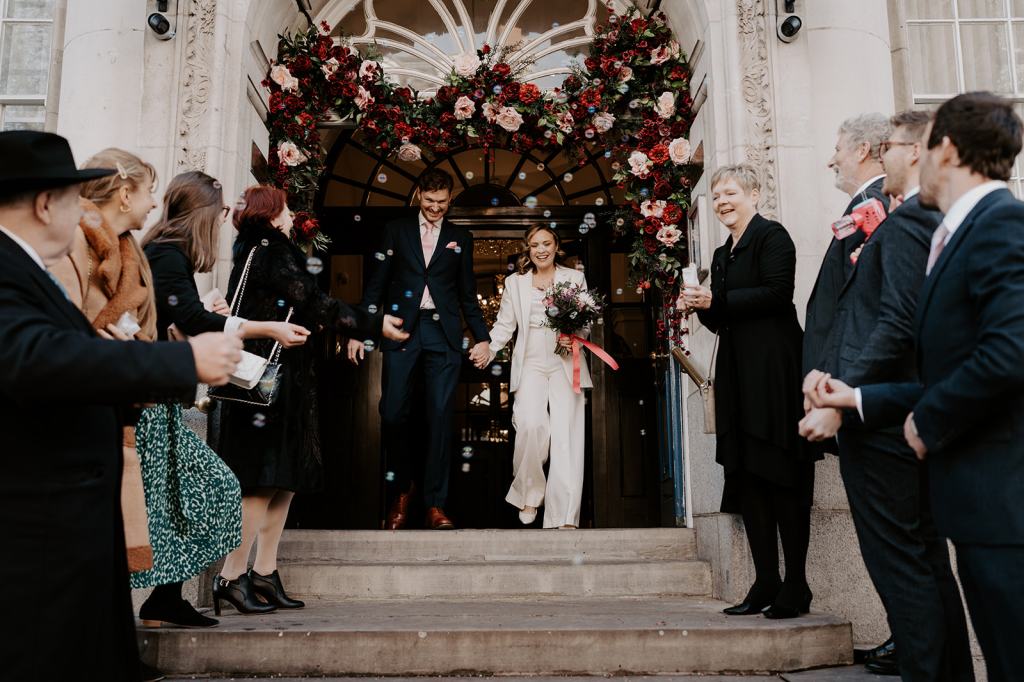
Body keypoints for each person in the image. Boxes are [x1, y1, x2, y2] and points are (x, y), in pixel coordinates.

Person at [0, 130, 242, 680]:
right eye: (73, 199)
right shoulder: (13, 268)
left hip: (68, 509)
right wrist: (182, 364)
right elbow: (39, 357)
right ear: (45, 204)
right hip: (35, 525)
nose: (83, 211)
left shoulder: (29, 264)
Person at [805, 92, 1024, 681]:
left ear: (943, 149)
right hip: (971, 494)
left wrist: (924, 417)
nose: (898, 161)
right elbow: (943, 362)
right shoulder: (952, 231)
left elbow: (1008, 351)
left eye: (910, 147)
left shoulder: (999, 224)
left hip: (1001, 494)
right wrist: (856, 398)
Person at [213, 185, 407, 613]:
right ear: (271, 212)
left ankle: (264, 570)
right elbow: (312, 300)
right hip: (268, 381)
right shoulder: (271, 246)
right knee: (263, 479)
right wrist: (372, 324)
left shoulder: (254, 247)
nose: (292, 211)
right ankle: (231, 576)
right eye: (285, 206)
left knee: (285, 478)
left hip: (282, 377)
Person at [140, 171, 311, 622]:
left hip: (167, 397)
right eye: (217, 216)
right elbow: (187, 320)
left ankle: (167, 598)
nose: (221, 224)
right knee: (206, 491)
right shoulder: (165, 255)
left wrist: (212, 314)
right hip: (151, 401)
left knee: (192, 494)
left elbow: (180, 317)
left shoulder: (168, 257)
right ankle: (218, 581)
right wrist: (263, 326)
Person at [680, 164, 811, 619]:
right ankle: (765, 581)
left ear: (754, 193)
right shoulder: (720, 254)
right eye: (716, 196)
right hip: (738, 372)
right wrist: (700, 307)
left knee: (782, 475)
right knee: (750, 477)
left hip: (775, 369)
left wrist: (718, 301)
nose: (722, 202)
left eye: (730, 193)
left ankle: (796, 585)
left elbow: (777, 295)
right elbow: (721, 319)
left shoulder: (774, 237)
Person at [347, 168, 490, 530]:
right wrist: (360, 329)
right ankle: (401, 491)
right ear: (418, 196)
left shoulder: (461, 237)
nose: (436, 208)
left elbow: (467, 293)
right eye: (430, 201)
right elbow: (376, 285)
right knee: (393, 412)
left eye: (442, 202)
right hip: (401, 332)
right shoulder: (396, 230)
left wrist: (483, 337)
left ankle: (435, 504)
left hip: (442, 334)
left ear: (449, 199)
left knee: (441, 418)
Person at [473, 225, 590, 529]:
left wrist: (573, 336)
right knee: (530, 425)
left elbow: (585, 324)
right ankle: (529, 493)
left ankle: (564, 517)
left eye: (546, 243)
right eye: (535, 244)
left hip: (565, 361)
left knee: (566, 437)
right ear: (528, 248)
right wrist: (489, 347)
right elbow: (504, 326)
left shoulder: (574, 278)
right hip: (531, 364)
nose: (541, 250)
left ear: (556, 245)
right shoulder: (515, 284)